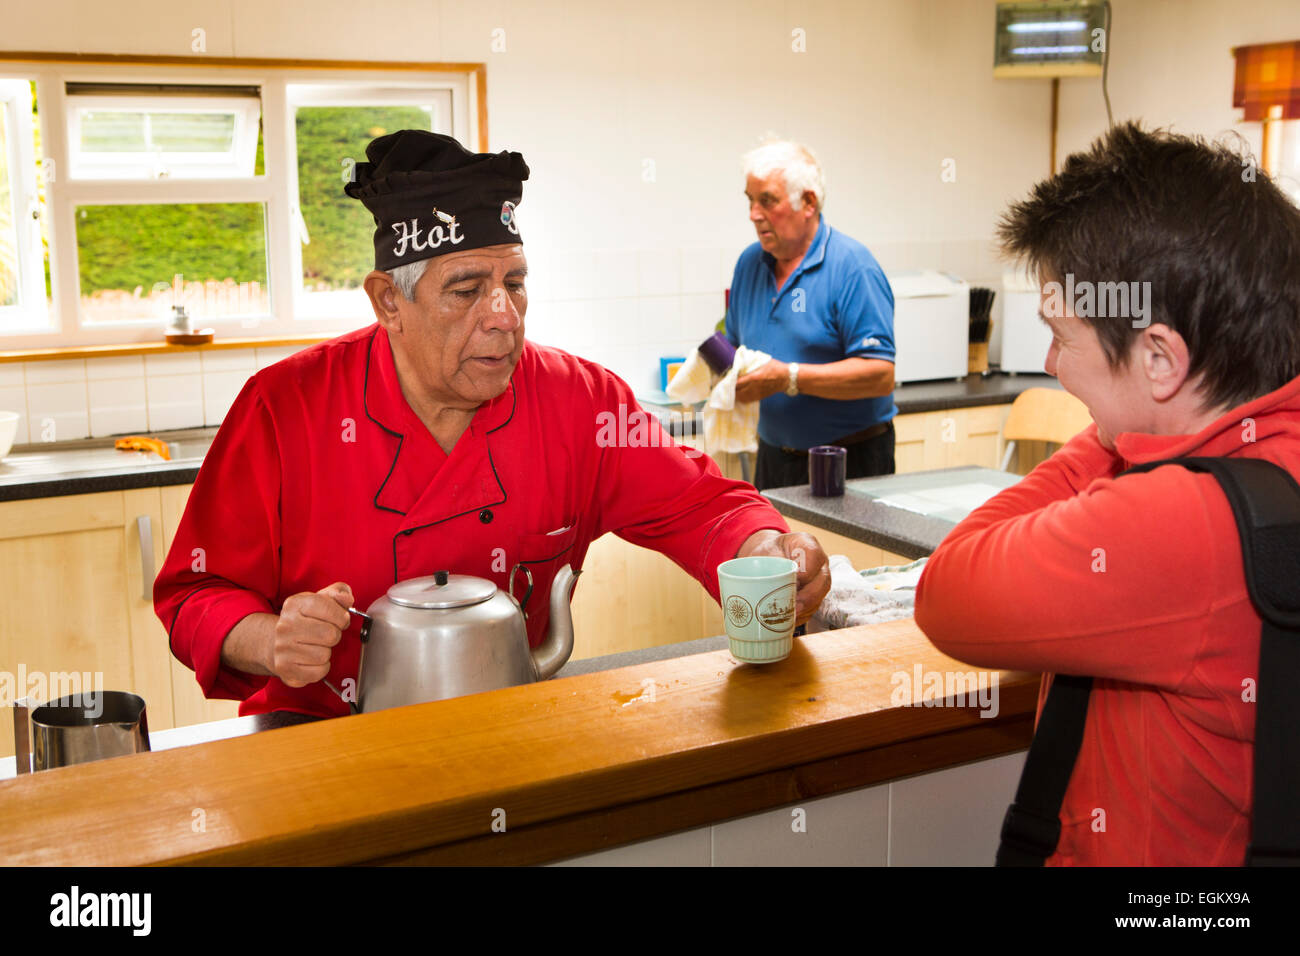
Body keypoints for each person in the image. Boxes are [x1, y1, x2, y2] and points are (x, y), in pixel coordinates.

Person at [153, 130, 830, 719]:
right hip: (319, 745)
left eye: (516, 282)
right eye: (467, 289)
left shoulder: (579, 401)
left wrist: (765, 549)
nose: (504, 315)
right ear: (390, 300)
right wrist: (268, 638)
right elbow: (196, 592)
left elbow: (702, 507)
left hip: (514, 737)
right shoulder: (285, 408)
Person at [914, 122, 1300, 865]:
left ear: (1160, 358)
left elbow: (948, 590)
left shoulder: (1180, 519)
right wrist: (1142, 421)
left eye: (1062, 336)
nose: (1052, 363)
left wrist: (1115, 433)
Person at [725, 139, 897, 492]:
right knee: (775, 549)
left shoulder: (853, 267)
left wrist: (789, 377)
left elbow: (880, 374)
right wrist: (716, 375)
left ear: (808, 202)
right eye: (750, 200)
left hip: (851, 459)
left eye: (767, 201)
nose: (754, 214)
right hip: (774, 457)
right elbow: (733, 348)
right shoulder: (749, 264)